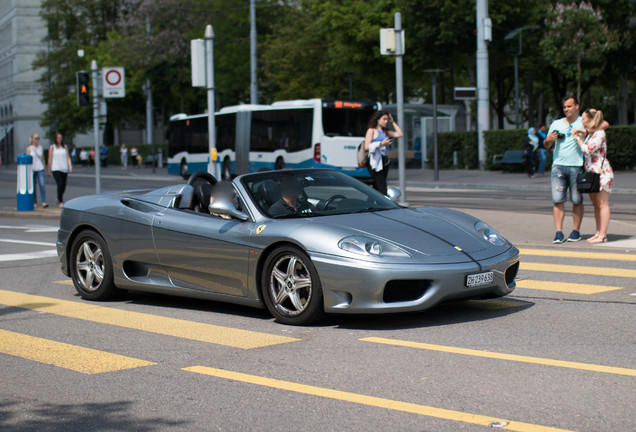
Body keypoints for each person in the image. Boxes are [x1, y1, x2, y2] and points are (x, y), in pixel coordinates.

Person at [572, 109, 614, 244]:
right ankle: (598, 232)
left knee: (603, 204)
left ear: (591, 119)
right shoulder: (592, 133)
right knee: (596, 205)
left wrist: (578, 138)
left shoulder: (599, 133)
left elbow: (588, 150)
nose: (582, 121)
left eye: (584, 119)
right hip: (592, 173)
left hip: (602, 173)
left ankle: (603, 235)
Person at [364, 110, 403, 195]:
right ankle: (384, 204)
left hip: (384, 160)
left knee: (377, 185)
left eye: (387, 119)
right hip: (375, 161)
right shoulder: (371, 130)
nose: (386, 121)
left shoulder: (385, 131)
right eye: (384, 119)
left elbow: (400, 134)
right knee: (381, 186)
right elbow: (367, 146)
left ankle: (373, 204)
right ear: (378, 119)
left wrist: (392, 122)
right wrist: (381, 144)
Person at [47, 132, 72, 207]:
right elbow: (50, 159)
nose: (59, 139)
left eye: (61, 137)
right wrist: (48, 170)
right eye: (58, 137)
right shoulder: (52, 147)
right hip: (56, 168)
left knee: (64, 185)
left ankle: (58, 197)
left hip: (64, 167)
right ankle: (61, 201)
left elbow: (68, 157)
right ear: (55, 139)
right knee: (60, 184)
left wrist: (70, 166)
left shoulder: (65, 147)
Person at [26, 133, 48, 208]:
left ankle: (44, 202)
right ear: (32, 139)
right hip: (32, 169)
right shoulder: (29, 148)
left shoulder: (41, 147)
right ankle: (34, 202)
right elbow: (27, 159)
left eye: (38, 138)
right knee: (33, 186)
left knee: (42, 185)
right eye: (35, 138)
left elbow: (43, 159)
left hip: (40, 168)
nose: (37, 140)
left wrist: (45, 169)